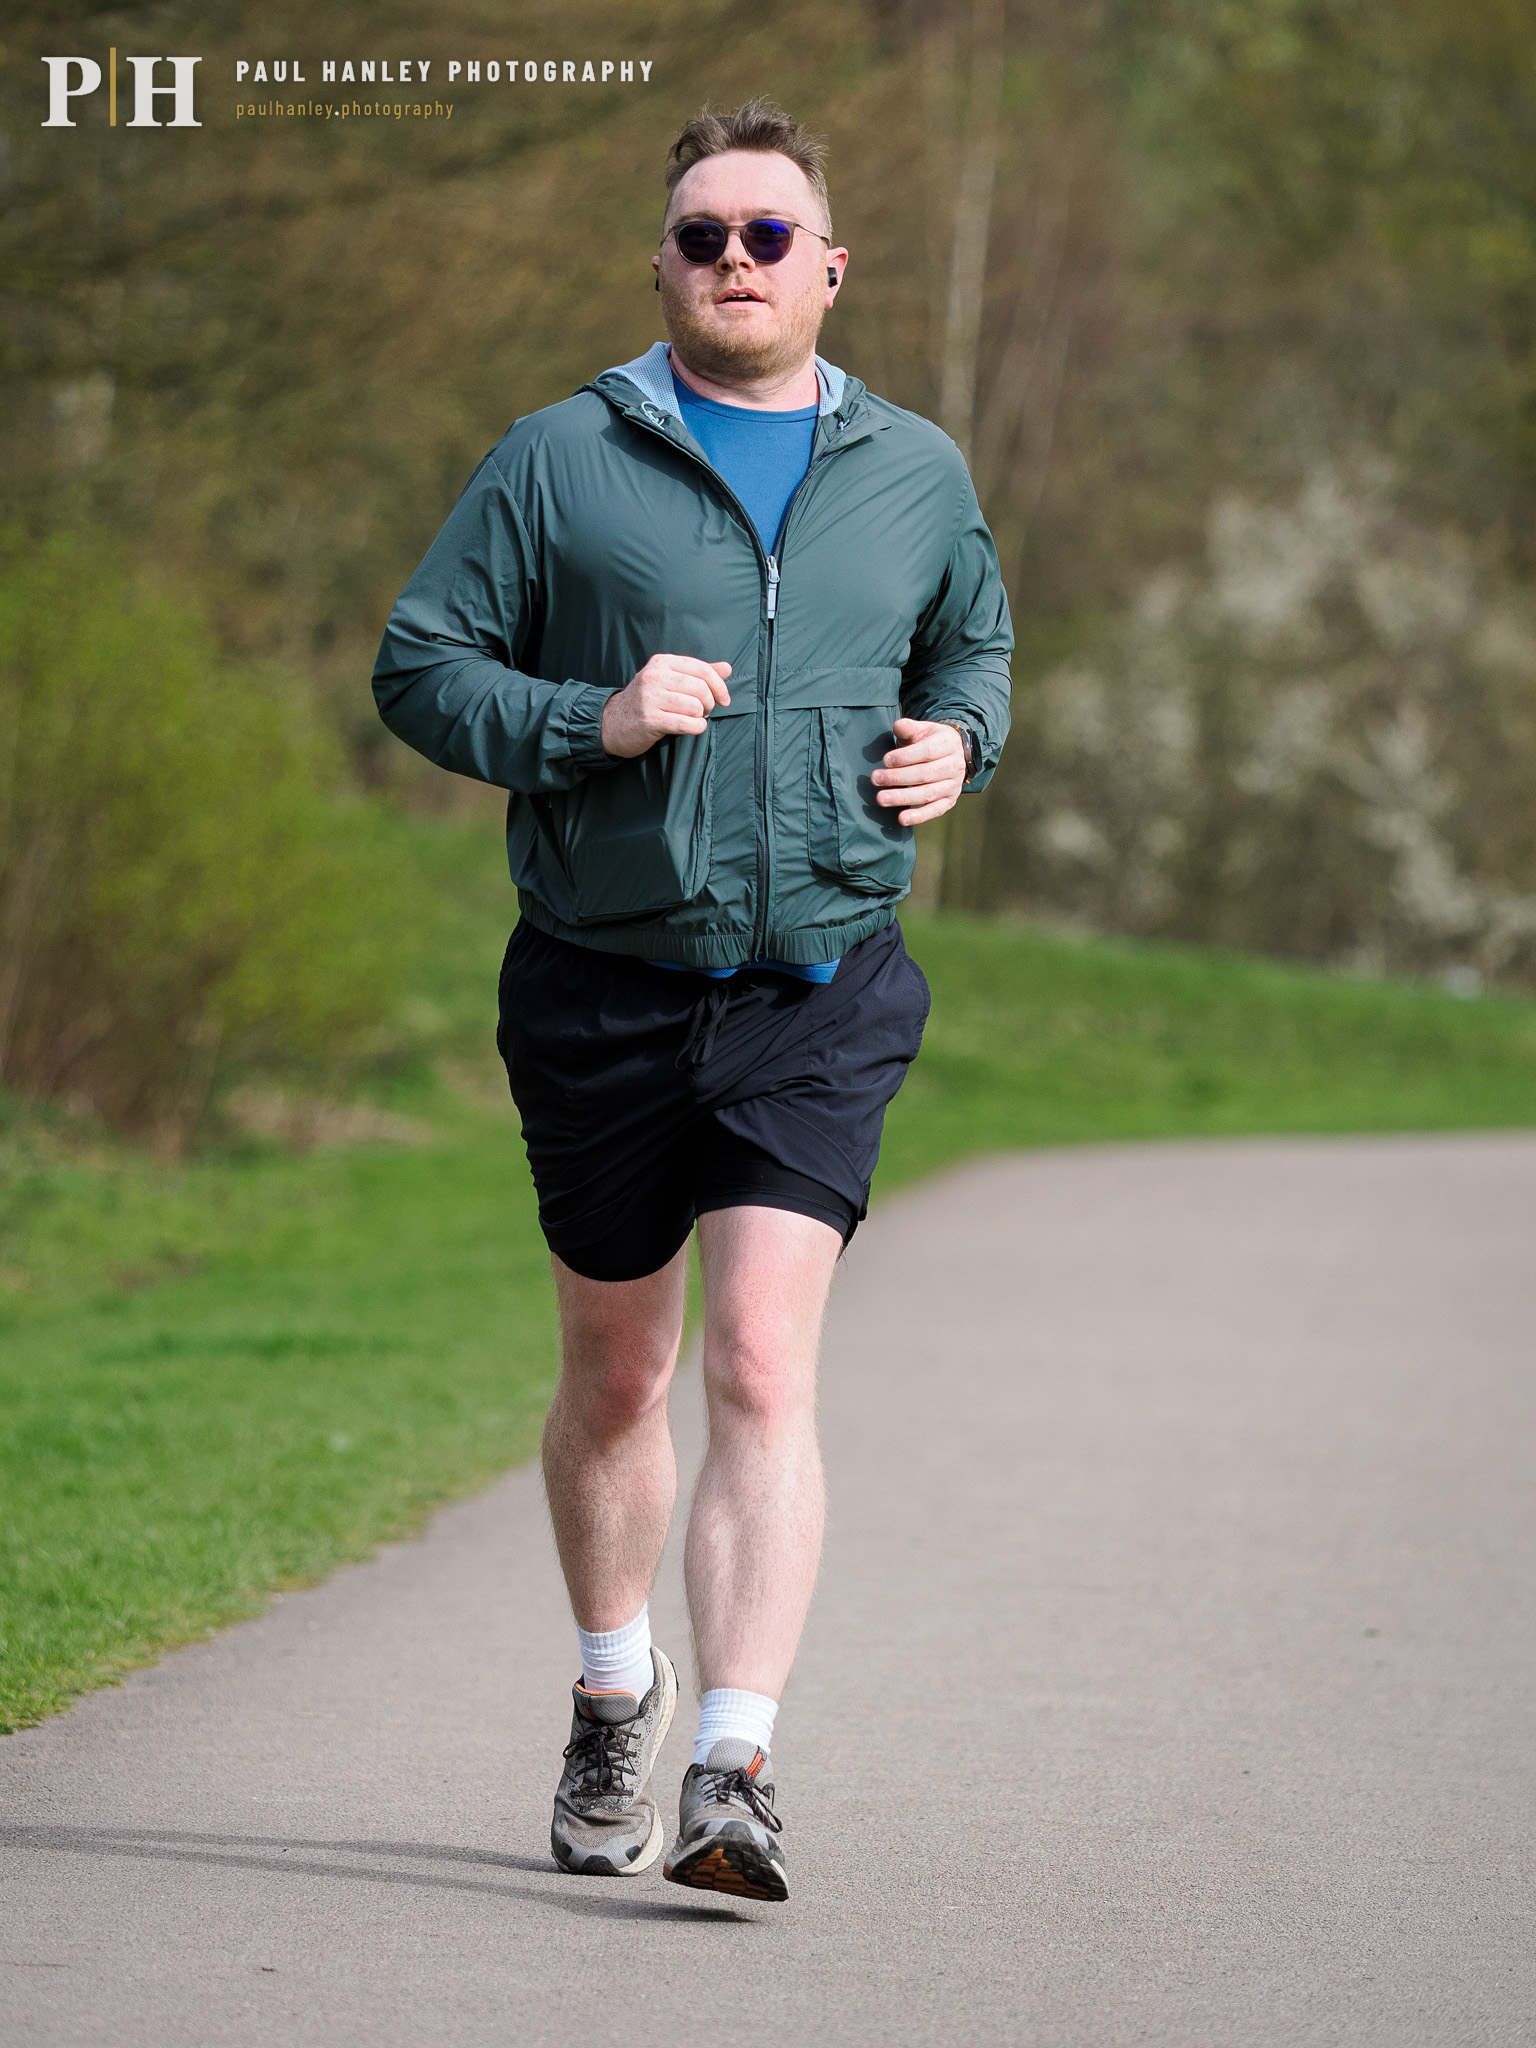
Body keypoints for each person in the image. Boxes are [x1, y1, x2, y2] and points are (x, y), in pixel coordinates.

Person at [372, 96, 1012, 1902]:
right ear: (661, 265)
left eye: (765, 234)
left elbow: (975, 639)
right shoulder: (558, 459)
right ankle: (611, 1691)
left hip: (820, 976)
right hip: (601, 983)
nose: (733, 260)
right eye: (700, 235)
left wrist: (960, 736)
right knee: (621, 1363)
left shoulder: (918, 467)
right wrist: (587, 721)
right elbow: (418, 667)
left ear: (828, 265)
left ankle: (735, 1762)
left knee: (754, 1358)